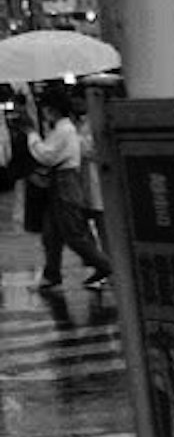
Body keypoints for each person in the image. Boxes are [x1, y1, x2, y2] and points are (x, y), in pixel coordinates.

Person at [26, 89, 110, 291]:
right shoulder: (63, 129)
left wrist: (32, 137)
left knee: (73, 234)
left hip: (65, 184)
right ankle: (51, 274)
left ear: (51, 109)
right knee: (51, 234)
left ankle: (107, 266)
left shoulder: (65, 130)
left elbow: (46, 155)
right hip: (60, 183)